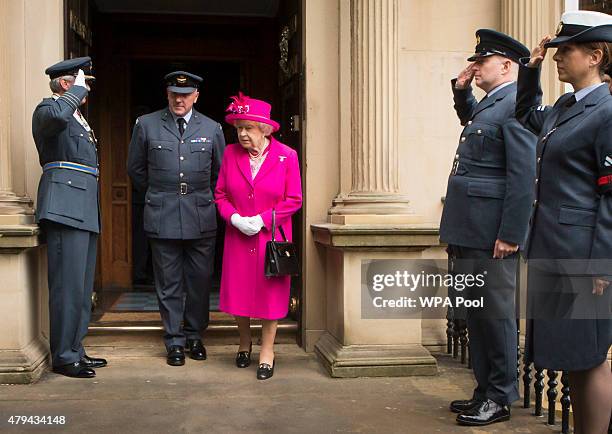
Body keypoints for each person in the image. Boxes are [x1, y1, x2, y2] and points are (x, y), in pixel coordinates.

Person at [517, 11, 612, 434]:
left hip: (582, 257)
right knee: (572, 356)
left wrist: (601, 266)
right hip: (553, 252)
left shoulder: (606, 112)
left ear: (595, 55)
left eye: (565, 50)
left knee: (588, 357)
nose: (558, 57)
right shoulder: (563, 108)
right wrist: (530, 69)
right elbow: (525, 116)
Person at [439, 30, 537, 426]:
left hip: (490, 233)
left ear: (508, 66)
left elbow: (522, 175)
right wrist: (462, 92)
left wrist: (511, 234)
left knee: (495, 316)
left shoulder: (516, 104)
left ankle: (499, 395)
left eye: (483, 61)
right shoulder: (492, 104)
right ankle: (484, 390)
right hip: (471, 227)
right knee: (477, 314)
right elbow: (475, 125)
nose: (475, 66)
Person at [127, 71, 225, 366]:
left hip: (200, 214)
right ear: (166, 95)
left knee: (199, 280)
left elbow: (219, 174)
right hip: (163, 213)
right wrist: (162, 193)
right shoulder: (146, 125)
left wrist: (197, 195)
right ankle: (174, 341)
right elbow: (135, 169)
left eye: (185, 94)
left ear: (196, 96)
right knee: (168, 282)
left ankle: (195, 335)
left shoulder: (212, 128)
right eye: (173, 94)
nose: (179, 99)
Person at [215, 93, 302, 380]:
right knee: (239, 291)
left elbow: (294, 199)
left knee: (269, 295)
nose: (241, 134)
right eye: (238, 127)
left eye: (248, 128)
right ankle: (244, 342)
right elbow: (220, 195)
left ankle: (267, 351)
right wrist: (235, 218)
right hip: (239, 236)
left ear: (264, 129)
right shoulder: (230, 154)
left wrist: (263, 220)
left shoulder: (286, 156)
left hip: (271, 238)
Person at [32, 57, 107, 378]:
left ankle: (75, 348)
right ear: (67, 84)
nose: (86, 89)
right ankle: (63, 355)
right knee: (66, 286)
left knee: (80, 286)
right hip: (64, 206)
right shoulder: (48, 110)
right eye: (82, 83)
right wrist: (74, 92)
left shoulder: (75, 117)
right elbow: (56, 119)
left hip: (82, 207)